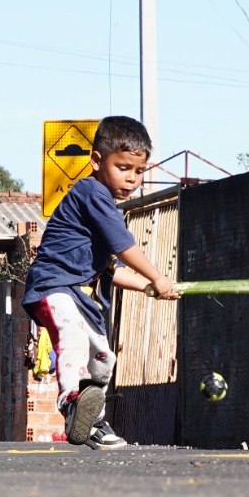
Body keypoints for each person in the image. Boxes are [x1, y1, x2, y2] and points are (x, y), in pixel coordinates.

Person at [23, 115, 178, 449]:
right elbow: (125, 246)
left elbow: (112, 269)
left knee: (105, 358)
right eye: (123, 168)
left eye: (139, 171)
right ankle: (71, 400)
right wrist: (157, 276)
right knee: (73, 336)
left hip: (81, 297)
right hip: (53, 285)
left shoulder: (104, 205)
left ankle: (92, 423)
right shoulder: (92, 193)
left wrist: (150, 289)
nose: (132, 179)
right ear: (96, 160)